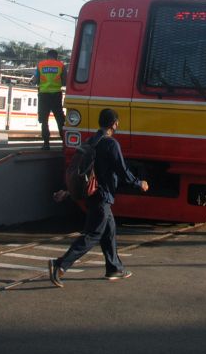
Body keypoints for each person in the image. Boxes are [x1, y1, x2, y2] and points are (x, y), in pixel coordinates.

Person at [49, 108, 148, 286]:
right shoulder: (111, 144)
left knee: (109, 231)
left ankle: (114, 268)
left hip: (93, 194)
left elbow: (80, 171)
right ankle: (60, 265)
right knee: (92, 234)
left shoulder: (91, 141)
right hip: (102, 196)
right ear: (114, 124)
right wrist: (139, 183)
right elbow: (122, 170)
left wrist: (68, 190)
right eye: (117, 122)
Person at [33, 49, 67, 149]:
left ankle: (46, 144)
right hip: (56, 95)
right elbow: (65, 82)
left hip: (43, 95)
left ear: (47, 56)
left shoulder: (41, 65)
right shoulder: (61, 65)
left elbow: (36, 80)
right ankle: (64, 144)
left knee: (44, 120)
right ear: (56, 57)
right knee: (60, 120)